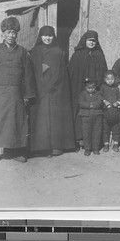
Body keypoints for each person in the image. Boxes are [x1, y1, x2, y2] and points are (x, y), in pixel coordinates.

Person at [0, 17, 36, 163]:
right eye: (9, 32)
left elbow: (28, 75)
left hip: (15, 93)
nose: (11, 35)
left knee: (14, 122)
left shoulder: (22, 52)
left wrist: (28, 94)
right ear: (3, 33)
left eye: (14, 32)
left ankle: (13, 152)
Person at [29, 26, 76, 157]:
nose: (47, 38)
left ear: (53, 37)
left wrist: (54, 82)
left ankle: (56, 146)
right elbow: (34, 71)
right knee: (42, 118)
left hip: (56, 90)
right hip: (41, 90)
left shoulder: (58, 51)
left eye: (50, 35)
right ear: (40, 36)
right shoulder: (36, 51)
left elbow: (61, 71)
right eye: (45, 35)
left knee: (56, 118)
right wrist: (44, 84)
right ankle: (42, 147)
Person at [68, 30, 108, 150]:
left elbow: (104, 72)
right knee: (79, 112)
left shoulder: (99, 55)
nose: (91, 43)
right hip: (79, 89)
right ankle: (78, 139)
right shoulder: (77, 55)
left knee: (95, 113)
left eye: (94, 41)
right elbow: (71, 73)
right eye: (89, 40)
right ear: (84, 41)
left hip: (95, 90)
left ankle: (93, 141)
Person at [99, 70, 120, 152]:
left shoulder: (117, 87)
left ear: (115, 79)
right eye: (108, 79)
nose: (110, 81)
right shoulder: (102, 88)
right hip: (106, 112)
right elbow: (100, 97)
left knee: (116, 128)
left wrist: (118, 102)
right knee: (105, 129)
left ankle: (115, 144)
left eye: (112, 79)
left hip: (115, 112)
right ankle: (106, 144)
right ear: (104, 79)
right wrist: (104, 101)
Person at [78, 78, 103, 156]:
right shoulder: (82, 94)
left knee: (97, 133)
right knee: (86, 133)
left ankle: (96, 148)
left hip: (97, 116)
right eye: (88, 88)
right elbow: (81, 103)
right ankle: (87, 149)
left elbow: (100, 102)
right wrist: (90, 105)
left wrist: (91, 104)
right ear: (85, 87)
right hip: (86, 117)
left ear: (95, 87)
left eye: (92, 88)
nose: (90, 90)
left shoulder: (98, 94)